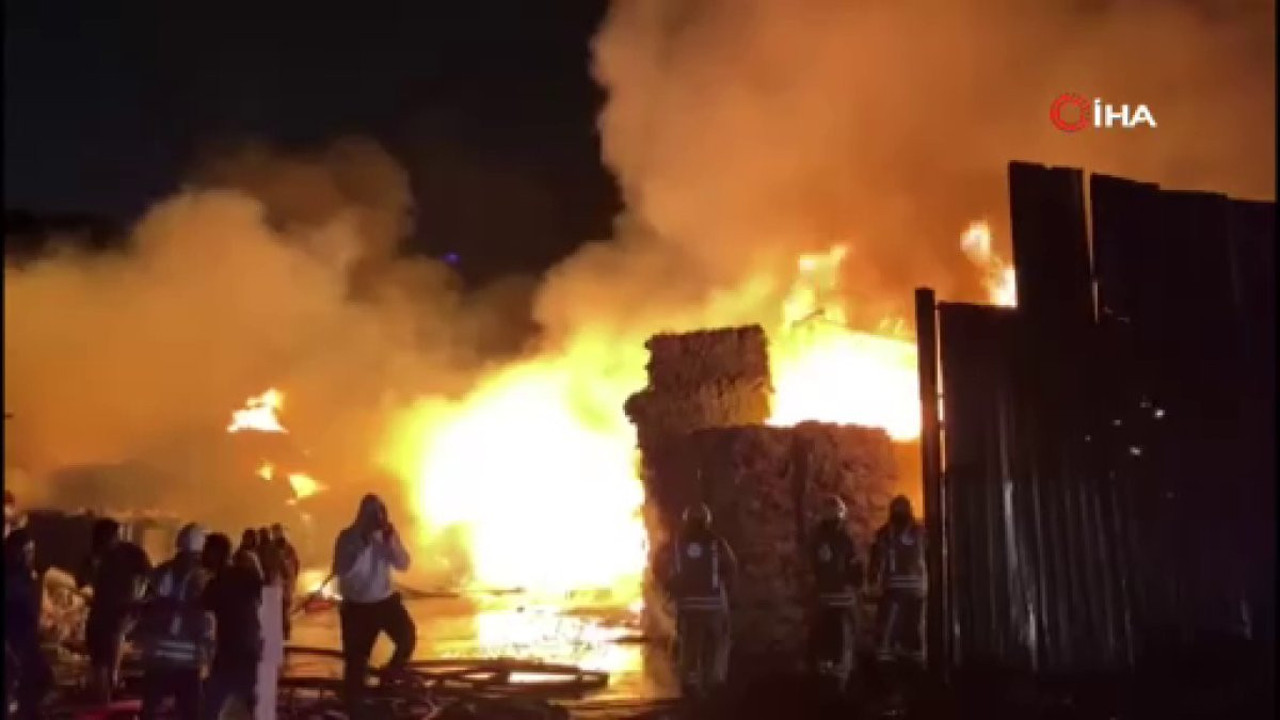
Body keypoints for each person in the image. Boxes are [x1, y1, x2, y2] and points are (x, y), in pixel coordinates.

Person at [332, 493, 415, 719]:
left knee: (407, 638)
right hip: (357, 609)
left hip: (385, 602)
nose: (379, 518)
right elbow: (344, 571)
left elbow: (404, 564)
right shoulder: (348, 538)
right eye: (374, 514)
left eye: (381, 513)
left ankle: (390, 676)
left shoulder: (386, 537)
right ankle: (356, 711)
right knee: (356, 664)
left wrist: (392, 543)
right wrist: (364, 542)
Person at [655, 502, 738, 700]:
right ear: (707, 520)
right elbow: (731, 567)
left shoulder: (676, 543)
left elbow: (661, 566)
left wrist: (668, 587)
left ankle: (690, 684)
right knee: (717, 643)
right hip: (713, 605)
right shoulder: (717, 542)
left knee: (690, 644)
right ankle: (714, 682)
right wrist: (727, 591)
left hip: (688, 606)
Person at [137, 523, 213, 720]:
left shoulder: (160, 572)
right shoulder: (204, 577)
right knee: (190, 712)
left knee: (151, 710)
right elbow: (205, 619)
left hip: (155, 655)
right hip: (187, 659)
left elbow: (144, 608)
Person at [76, 517, 152, 703]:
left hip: (122, 611)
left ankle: (111, 687)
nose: (104, 543)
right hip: (101, 610)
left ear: (115, 536)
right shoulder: (97, 555)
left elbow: (149, 577)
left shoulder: (132, 553)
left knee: (111, 648)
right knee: (97, 649)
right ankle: (101, 690)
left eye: (107, 538)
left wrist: (139, 600)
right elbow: (82, 582)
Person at [869, 495, 927, 705]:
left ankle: (892, 687)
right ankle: (913, 685)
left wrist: (872, 582)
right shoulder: (921, 532)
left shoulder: (885, 534)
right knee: (914, 640)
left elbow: (875, 564)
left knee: (886, 642)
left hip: (894, 593)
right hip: (916, 593)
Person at [201, 532, 263, 720]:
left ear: (217, 552)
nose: (203, 555)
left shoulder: (218, 582)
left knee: (211, 706)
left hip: (233, 652)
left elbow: (200, 605)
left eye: (207, 551)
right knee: (252, 704)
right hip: (248, 649)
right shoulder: (245, 575)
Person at [808, 495, 864, 693]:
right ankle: (841, 686)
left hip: (823, 601)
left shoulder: (815, 539)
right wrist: (858, 585)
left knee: (823, 643)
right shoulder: (846, 539)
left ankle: (823, 681)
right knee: (846, 641)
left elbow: (810, 568)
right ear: (842, 516)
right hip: (844, 602)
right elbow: (856, 568)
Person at [5, 528, 53, 720]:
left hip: (26, 641)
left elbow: (32, 608)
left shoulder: (24, 576)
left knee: (41, 681)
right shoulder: (11, 579)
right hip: (15, 643)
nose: (31, 556)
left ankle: (28, 712)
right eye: (28, 552)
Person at [270, 524, 300, 641]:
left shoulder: (288, 549)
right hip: (278, 586)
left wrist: (290, 580)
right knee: (278, 611)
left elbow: (294, 566)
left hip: (285, 586)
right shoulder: (273, 548)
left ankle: (285, 634)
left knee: (284, 610)